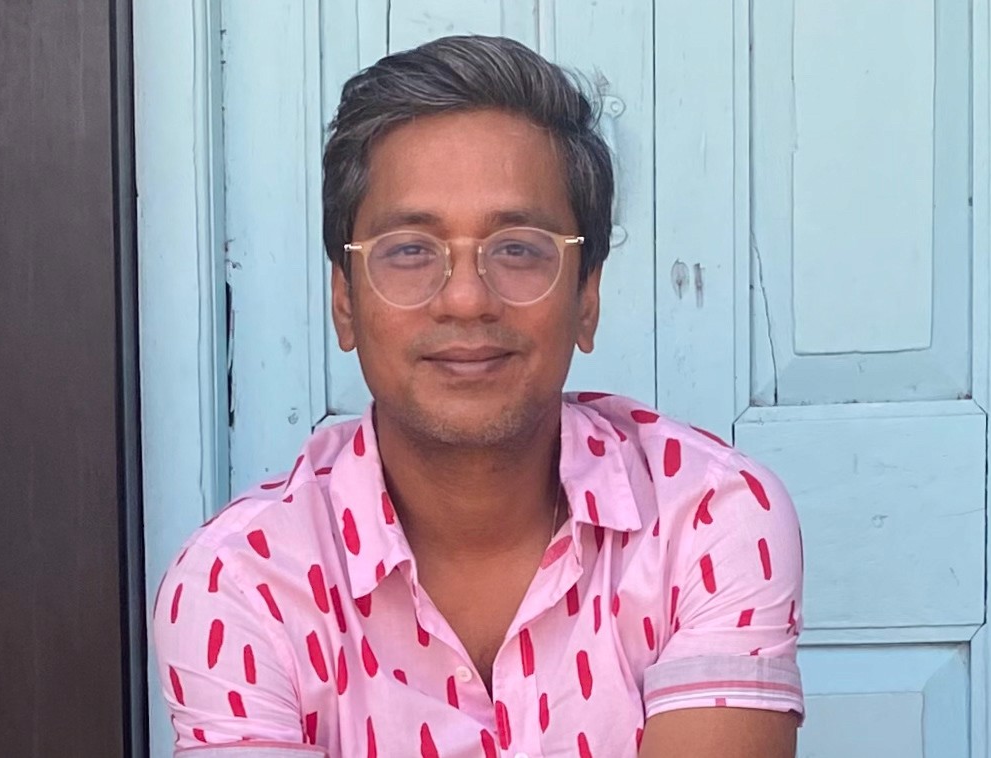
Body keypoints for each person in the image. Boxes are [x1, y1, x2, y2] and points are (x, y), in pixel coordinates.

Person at [152, 35, 804, 757]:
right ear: (344, 301)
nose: (465, 299)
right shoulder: (241, 581)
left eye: (519, 248)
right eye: (408, 250)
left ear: (587, 296)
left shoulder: (704, 517)